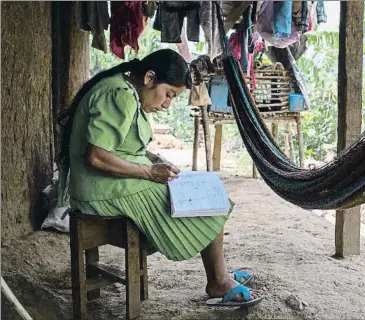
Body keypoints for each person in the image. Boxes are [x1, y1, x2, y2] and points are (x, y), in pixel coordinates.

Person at [57, 49, 265, 307]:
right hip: (100, 191)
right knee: (203, 204)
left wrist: (154, 159)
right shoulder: (119, 95)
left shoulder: (127, 91)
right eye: (168, 94)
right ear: (149, 78)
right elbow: (97, 157)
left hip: (110, 185)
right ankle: (218, 281)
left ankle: (218, 274)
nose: (167, 104)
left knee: (207, 195)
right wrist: (147, 171)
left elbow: (123, 146)